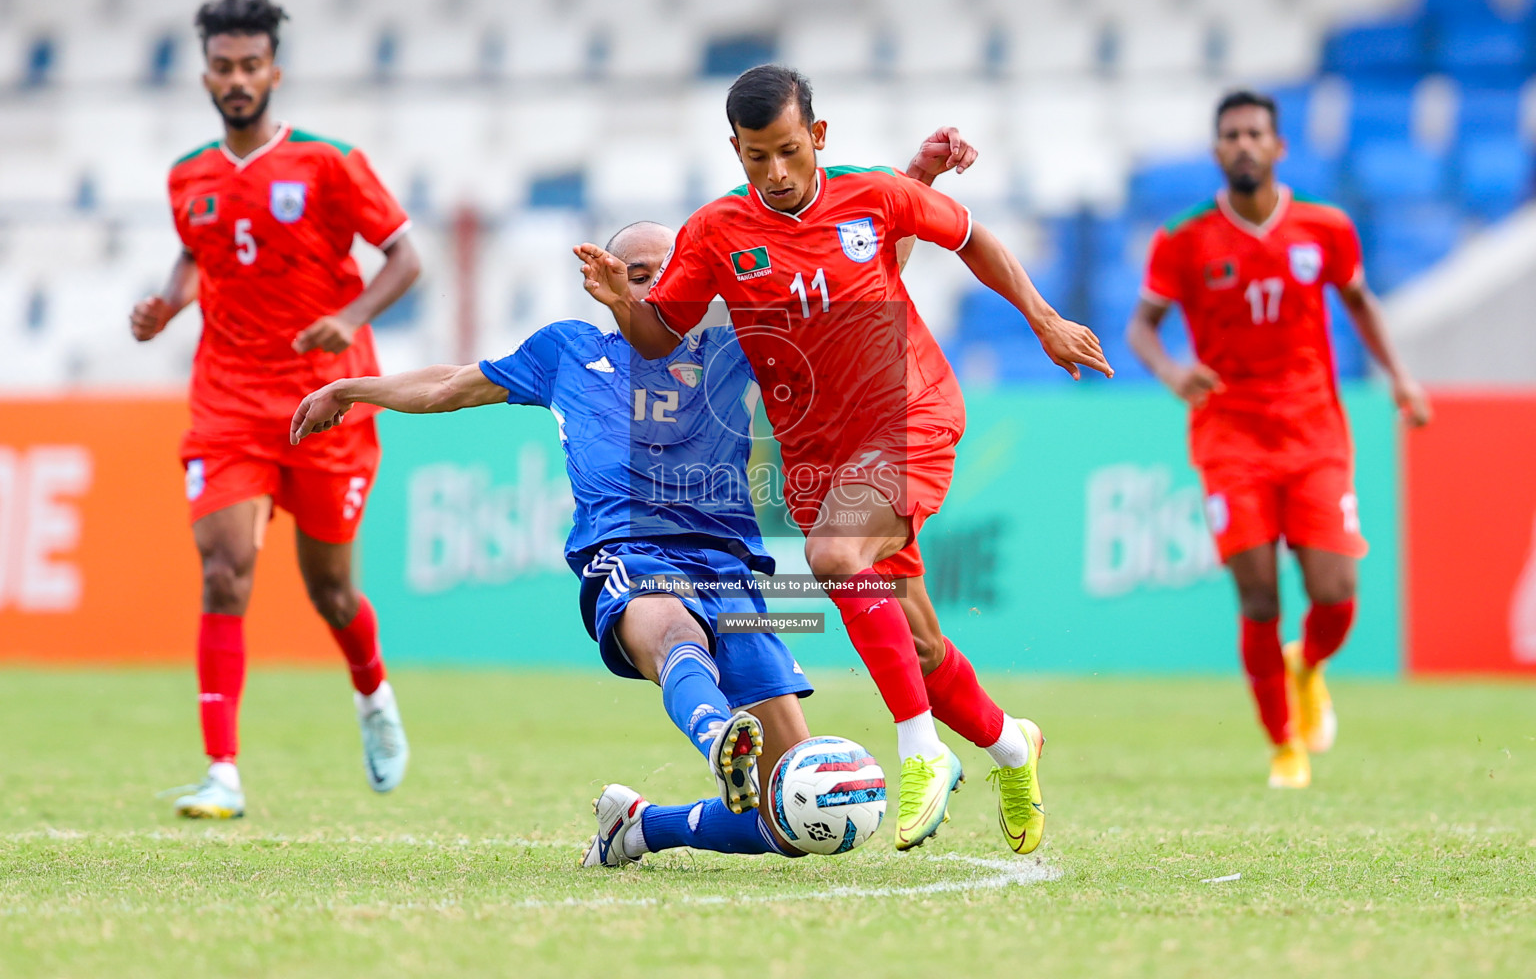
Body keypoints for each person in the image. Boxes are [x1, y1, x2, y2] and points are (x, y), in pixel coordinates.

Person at [293, 128, 979, 866]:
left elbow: (854, 280)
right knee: (671, 631)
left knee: (790, 822)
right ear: (611, 277)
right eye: (643, 271)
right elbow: (452, 384)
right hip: (630, 554)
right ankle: (719, 737)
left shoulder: (735, 341)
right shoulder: (567, 352)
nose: (661, 284)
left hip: (730, 569)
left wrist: (918, 182)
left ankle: (642, 826)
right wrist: (350, 387)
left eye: (675, 270)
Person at [575, 65, 1111, 854]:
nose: (777, 172)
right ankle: (1009, 746)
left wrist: (1043, 318)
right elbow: (661, 335)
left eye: (790, 151)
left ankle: (922, 752)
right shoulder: (717, 233)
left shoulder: (874, 192)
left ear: (817, 136)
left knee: (831, 554)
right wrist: (625, 301)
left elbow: (970, 237)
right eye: (757, 157)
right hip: (818, 458)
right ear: (736, 150)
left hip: (909, 414)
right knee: (920, 647)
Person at [131, 0, 420, 818]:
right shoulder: (187, 174)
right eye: (222, 66)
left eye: (250, 65)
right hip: (227, 402)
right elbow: (197, 254)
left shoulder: (328, 162)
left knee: (331, 593)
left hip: (327, 403)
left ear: (273, 72)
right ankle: (222, 770)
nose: (236, 78)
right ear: (206, 75)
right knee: (224, 572)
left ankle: (372, 696)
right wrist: (168, 302)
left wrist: (351, 319)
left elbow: (406, 256)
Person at [1126, 90, 1432, 789]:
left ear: (1278, 146)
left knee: (1337, 590)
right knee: (1259, 597)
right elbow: (1143, 324)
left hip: (1313, 429)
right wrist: (1174, 372)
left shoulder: (1324, 227)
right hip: (1229, 434)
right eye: (1230, 135)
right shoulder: (1185, 236)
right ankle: (1283, 743)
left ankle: (1307, 663)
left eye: (1254, 133)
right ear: (1216, 151)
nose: (1242, 144)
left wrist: (1402, 380)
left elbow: (1361, 303)